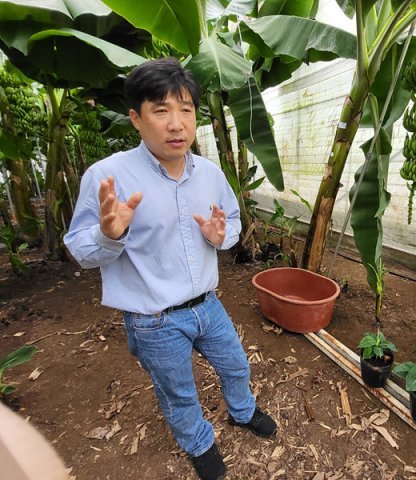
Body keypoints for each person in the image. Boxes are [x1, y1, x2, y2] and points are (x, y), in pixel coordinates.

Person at [64, 57, 275, 480]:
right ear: (136, 119)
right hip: (154, 319)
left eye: (185, 110)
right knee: (179, 393)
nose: (176, 123)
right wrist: (109, 235)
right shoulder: (108, 176)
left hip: (208, 305)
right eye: (161, 110)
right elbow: (80, 250)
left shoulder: (211, 174)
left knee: (236, 365)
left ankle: (242, 411)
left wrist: (221, 237)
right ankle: (198, 443)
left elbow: (230, 221)